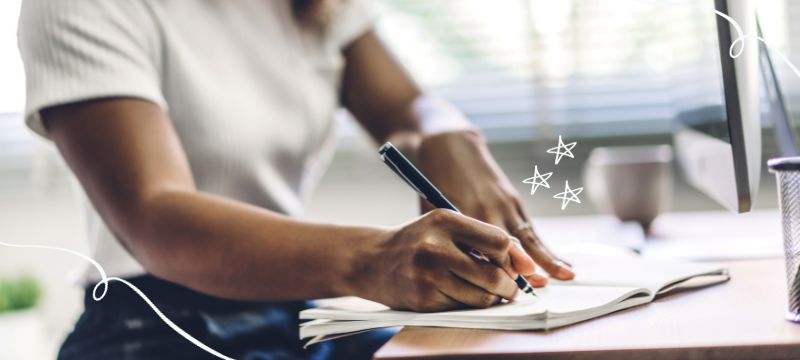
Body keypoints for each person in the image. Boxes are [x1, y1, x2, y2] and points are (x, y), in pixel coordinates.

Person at [18, 0, 575, 359]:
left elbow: (409, 106)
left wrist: (448, 135)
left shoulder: (312, 6)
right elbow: (154, 213)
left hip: (296, 311)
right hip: (155, 327)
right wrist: (373, 258)